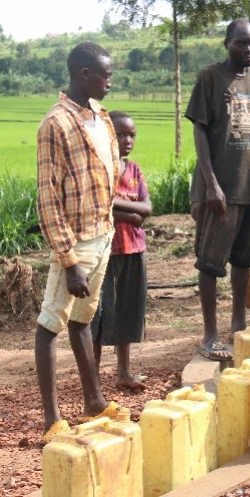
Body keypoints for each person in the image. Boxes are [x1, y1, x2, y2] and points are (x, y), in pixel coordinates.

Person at [35, 42, 122, 444]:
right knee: (51, 323)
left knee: (83, 319)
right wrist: (67, 259)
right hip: (75, 241)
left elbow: (110, 174)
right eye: (105, 74)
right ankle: (52, 418)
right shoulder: (55, 124)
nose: (110, 81)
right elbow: (48, 197)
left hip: (102, 233)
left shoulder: (100, 118)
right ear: (84, 74)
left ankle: (93, 400)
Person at [185, 19, 250, 361]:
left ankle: (239, 325)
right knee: (210, 263)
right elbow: (200, 132)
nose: (249, 50)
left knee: (244, 261)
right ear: (227, 43)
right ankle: (210, 334)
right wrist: (211, 184)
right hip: (220, 188)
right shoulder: (210, 78)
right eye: (241, 43)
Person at [90, 111, 151, 391]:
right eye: (121, 134)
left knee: (128, 310)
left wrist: (118, 207)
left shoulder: (134, 170)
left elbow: (147, 209)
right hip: (105, 251)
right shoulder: (100, 168)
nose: (127, 140)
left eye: (132, 135)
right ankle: (92, 378)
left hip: (133, 250)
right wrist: (131, 213)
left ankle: (123, 372)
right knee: (99, 315)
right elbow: (101, 206)